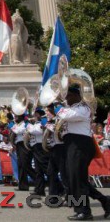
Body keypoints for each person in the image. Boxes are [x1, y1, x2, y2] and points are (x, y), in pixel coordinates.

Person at [57, 82, 110, 220]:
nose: (65, 98)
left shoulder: (84, 108)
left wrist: (59, 106)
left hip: (80, 144)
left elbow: (65, 115)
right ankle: (103, 201)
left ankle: (85, 212)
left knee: (77, 180)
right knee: (74, 179)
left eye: (67, 95)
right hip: (71, 143)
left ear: (75, 95)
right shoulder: (72, 107)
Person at [27, 108, 49, 196]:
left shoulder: (42, 123)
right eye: (34, 115)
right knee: (38, 170)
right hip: (35, 147)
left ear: (40, 115)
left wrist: (27, 124)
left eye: (36, 115)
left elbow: (35, 131)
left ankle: (59, 188)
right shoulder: (36, 123)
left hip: (40, 147)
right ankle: (40, 190)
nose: (34, 116)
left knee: (46, 169)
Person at [10, 111, 32, 191]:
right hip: (19, 145)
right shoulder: (17, 124)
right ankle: (22, 185)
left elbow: (17, 131)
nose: (15, 118)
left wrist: (12, 126)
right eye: (15, 116)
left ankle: (38, 181)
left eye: (17, 116)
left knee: (25, 165)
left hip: (24, 145)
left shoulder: (25, 124)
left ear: (21, 117)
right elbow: (12, 133)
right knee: (21, 165)